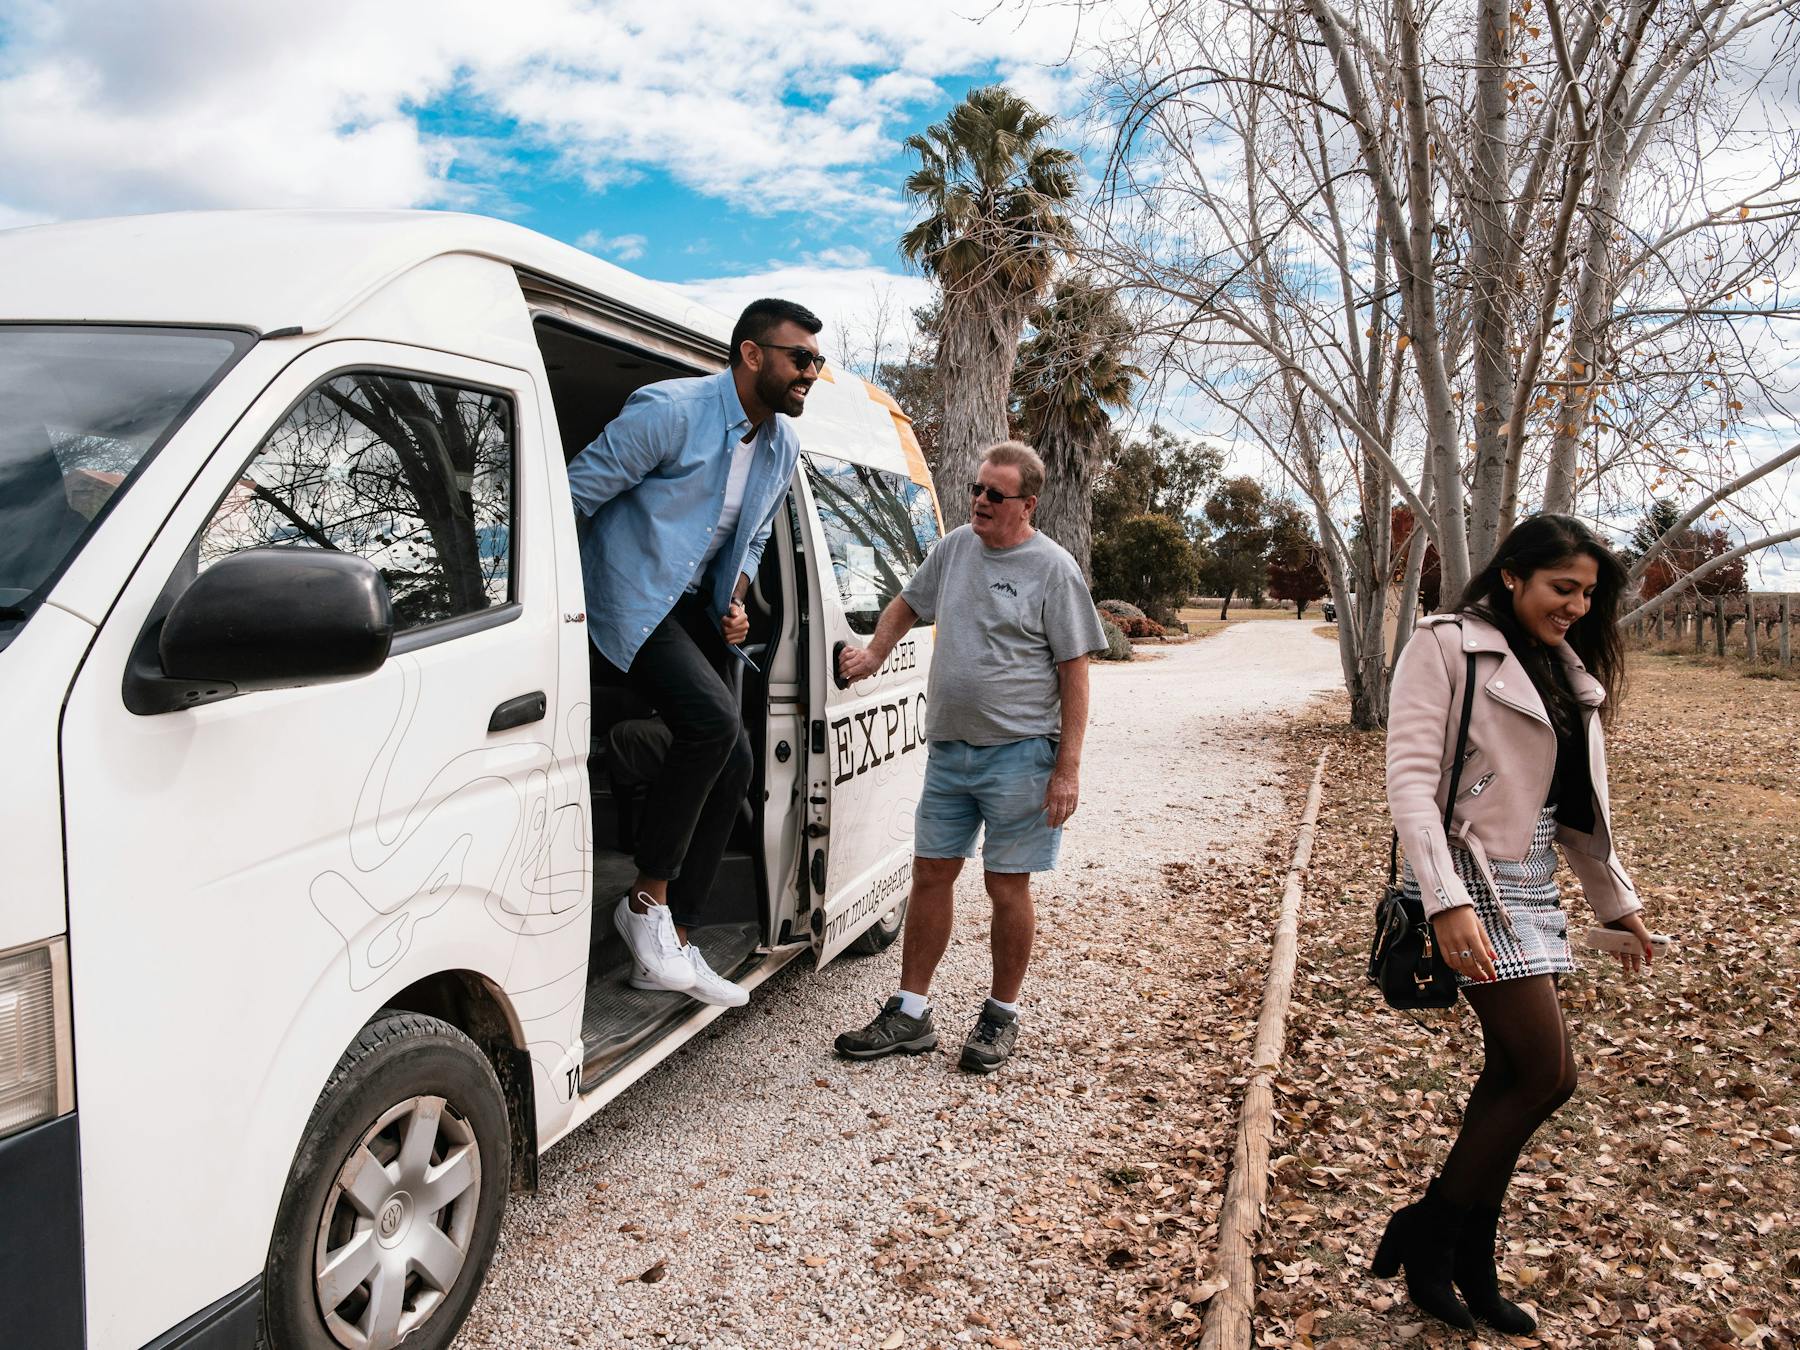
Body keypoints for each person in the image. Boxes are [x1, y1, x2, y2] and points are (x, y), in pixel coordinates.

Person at [1377, 513, 1657, 1334]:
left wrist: (1619, 902)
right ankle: (1432, 1236)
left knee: (1520, 1075)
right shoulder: (1445, 644)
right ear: (1512, 575)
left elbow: (1574, 809)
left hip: (1533, 875)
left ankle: (1466, 1255)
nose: (1575, 606)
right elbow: (1410, 785)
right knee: (1544, 1072)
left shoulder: (1566, 669)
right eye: (1561, 588)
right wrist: (1445, 900)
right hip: (1468, 872)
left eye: (1587, 594)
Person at [568, 298, 824, 1008]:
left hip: (688, 607)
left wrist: (735, 599)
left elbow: (756, 540)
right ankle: (644, 907)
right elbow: (572, 494)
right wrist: (554, 606)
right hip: (621, 595)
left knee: (737, 758)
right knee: (713, 725)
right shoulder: (672, 412)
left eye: (817, 362)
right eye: (799, 358)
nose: (810, 373)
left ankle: (675, 939)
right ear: (751, 355)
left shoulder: (781, 447)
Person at [831, 442, 1108, 1073]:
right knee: (930, 875)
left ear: (1027, 505)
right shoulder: (955, 547)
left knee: (1006, 886)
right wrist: (874, 654)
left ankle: (1000, 1017)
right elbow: (907, 601)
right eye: (977, 490)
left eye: (994, 495)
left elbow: (1076, 673)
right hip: (950, 754)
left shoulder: (1053, 569)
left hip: (1021, 757)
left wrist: (1067, 768)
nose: (980, 502)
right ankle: (909, 1012)